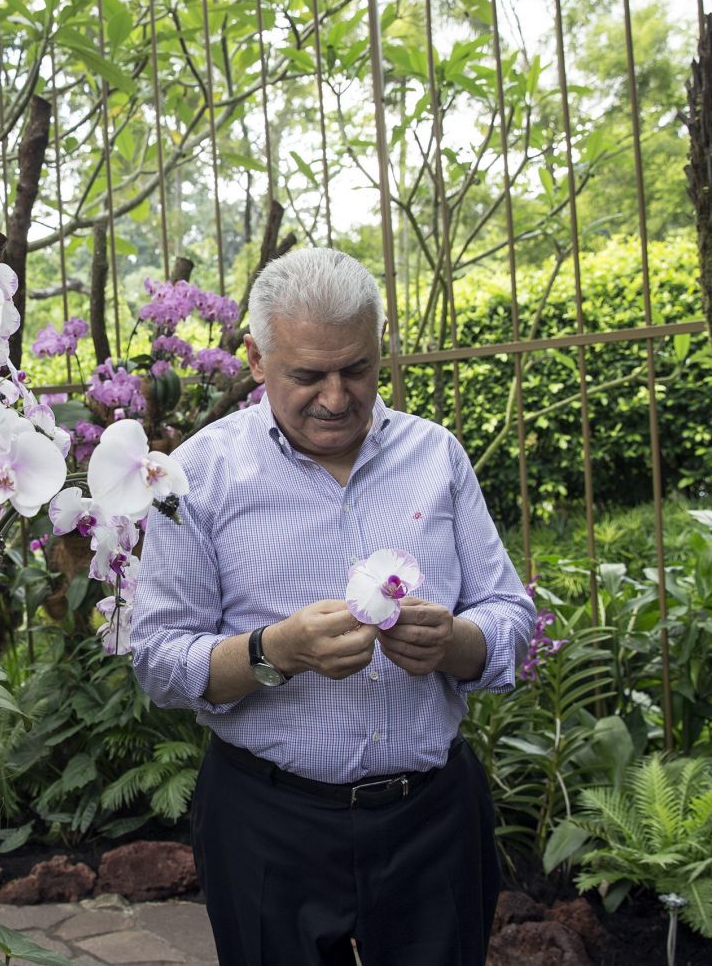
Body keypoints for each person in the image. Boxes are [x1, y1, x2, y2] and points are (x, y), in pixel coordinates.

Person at [129, 247, 535, 966]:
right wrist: (272, 652)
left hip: (431, 817)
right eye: (308, 374)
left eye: (359, 369)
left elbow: (509, 613)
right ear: (256, 358)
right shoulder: (196, 476)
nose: (338, 396)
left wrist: (456, 643)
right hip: (267, 819)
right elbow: (159, 658)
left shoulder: (434, 456)